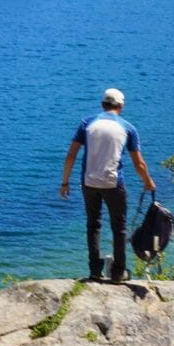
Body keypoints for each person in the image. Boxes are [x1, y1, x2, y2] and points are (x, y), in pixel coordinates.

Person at [60, 87, 156, 283]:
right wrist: (147, 181)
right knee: (119, 228)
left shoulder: (87, 123)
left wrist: (65, 182)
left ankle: (95, 270)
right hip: (114, 183)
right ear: (121, 105)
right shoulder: (128, 128)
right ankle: (118, 272)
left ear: (102, 105)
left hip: (89, 181)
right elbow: (139, 163)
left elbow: (70, 155)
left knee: (93, 225)